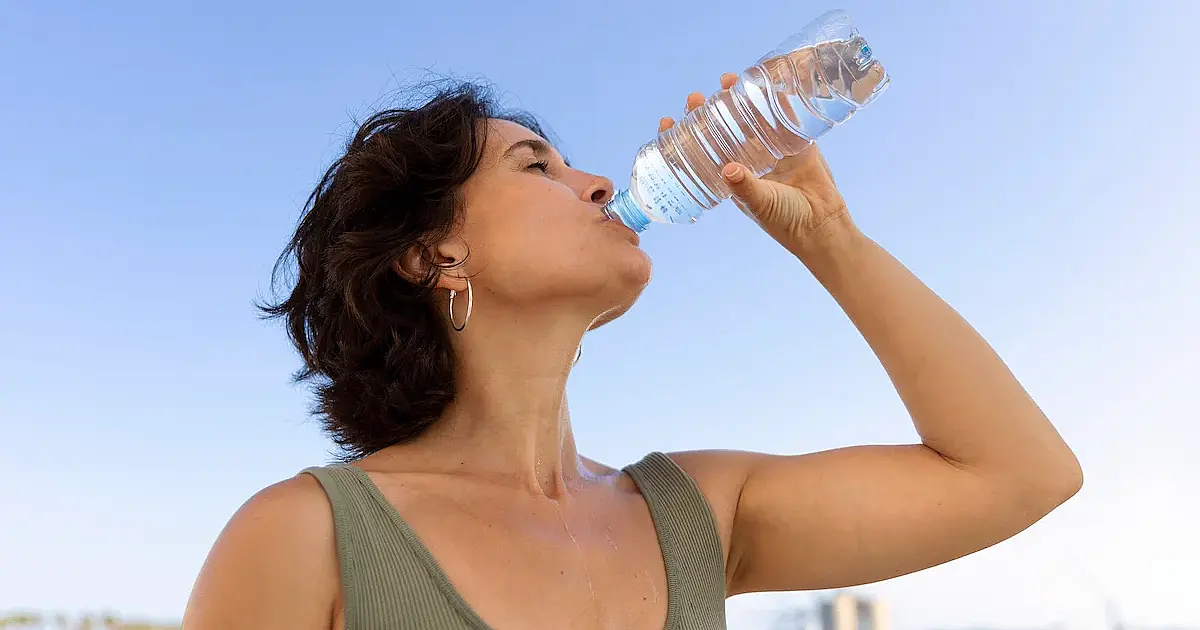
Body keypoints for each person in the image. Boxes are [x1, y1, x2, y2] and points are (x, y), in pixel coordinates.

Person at [181, 74, 1082, 630]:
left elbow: (1019, 473)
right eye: (537, 166)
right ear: (433, 254)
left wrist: (832, 239)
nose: (601, 182)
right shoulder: (309, 538)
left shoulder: (697, 516)